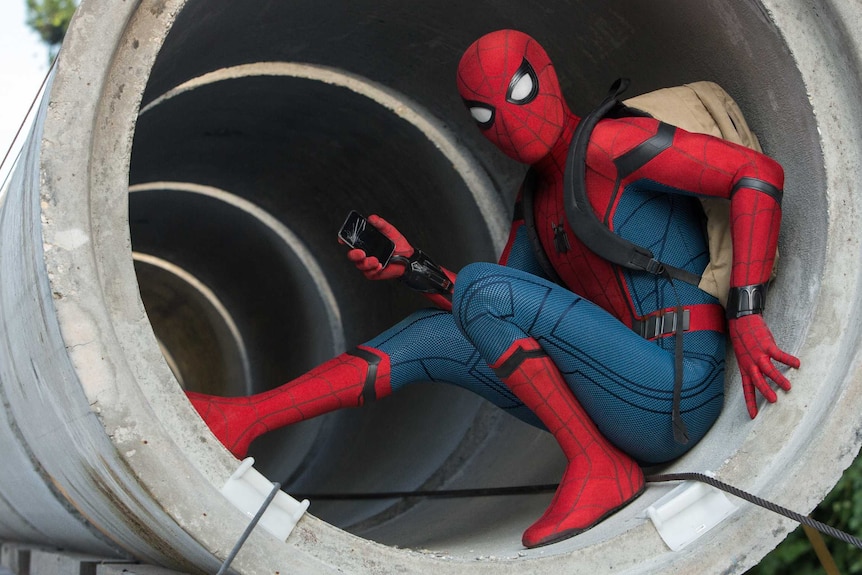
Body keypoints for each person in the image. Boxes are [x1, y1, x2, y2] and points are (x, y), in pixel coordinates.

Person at [187, 29, 800, 548]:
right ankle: (246, 418)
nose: (507, 121)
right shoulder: (536, 203)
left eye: (518, 92)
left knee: (484, 288)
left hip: (674, 387)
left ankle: (598, 463)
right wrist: (413, 268)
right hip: (619, 394)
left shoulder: (613, 145)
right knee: (437, 333)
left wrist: (745, 310)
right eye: (485, 115)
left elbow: (755, 175)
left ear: (549, 79)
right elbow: (491, 310)